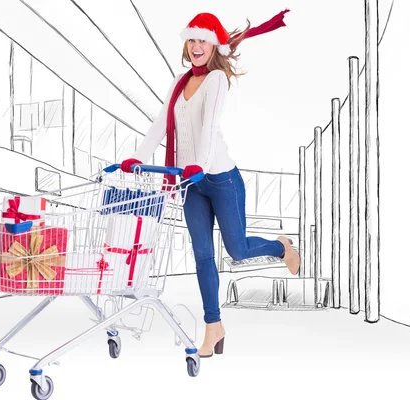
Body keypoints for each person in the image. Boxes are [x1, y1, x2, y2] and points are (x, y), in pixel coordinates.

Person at [120, 10, 299, 358]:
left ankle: (280, 246)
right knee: (203, 255)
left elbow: (209, 127)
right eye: (192, 39)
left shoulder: (216, 79)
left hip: (220, 179)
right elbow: (161, 122)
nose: (196, 45)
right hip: (191, 183)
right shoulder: (179, 81)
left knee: (237, 251)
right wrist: (138, 158)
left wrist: (198, 165)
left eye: (203, 39)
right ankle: (213, 325)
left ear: (214, 44)